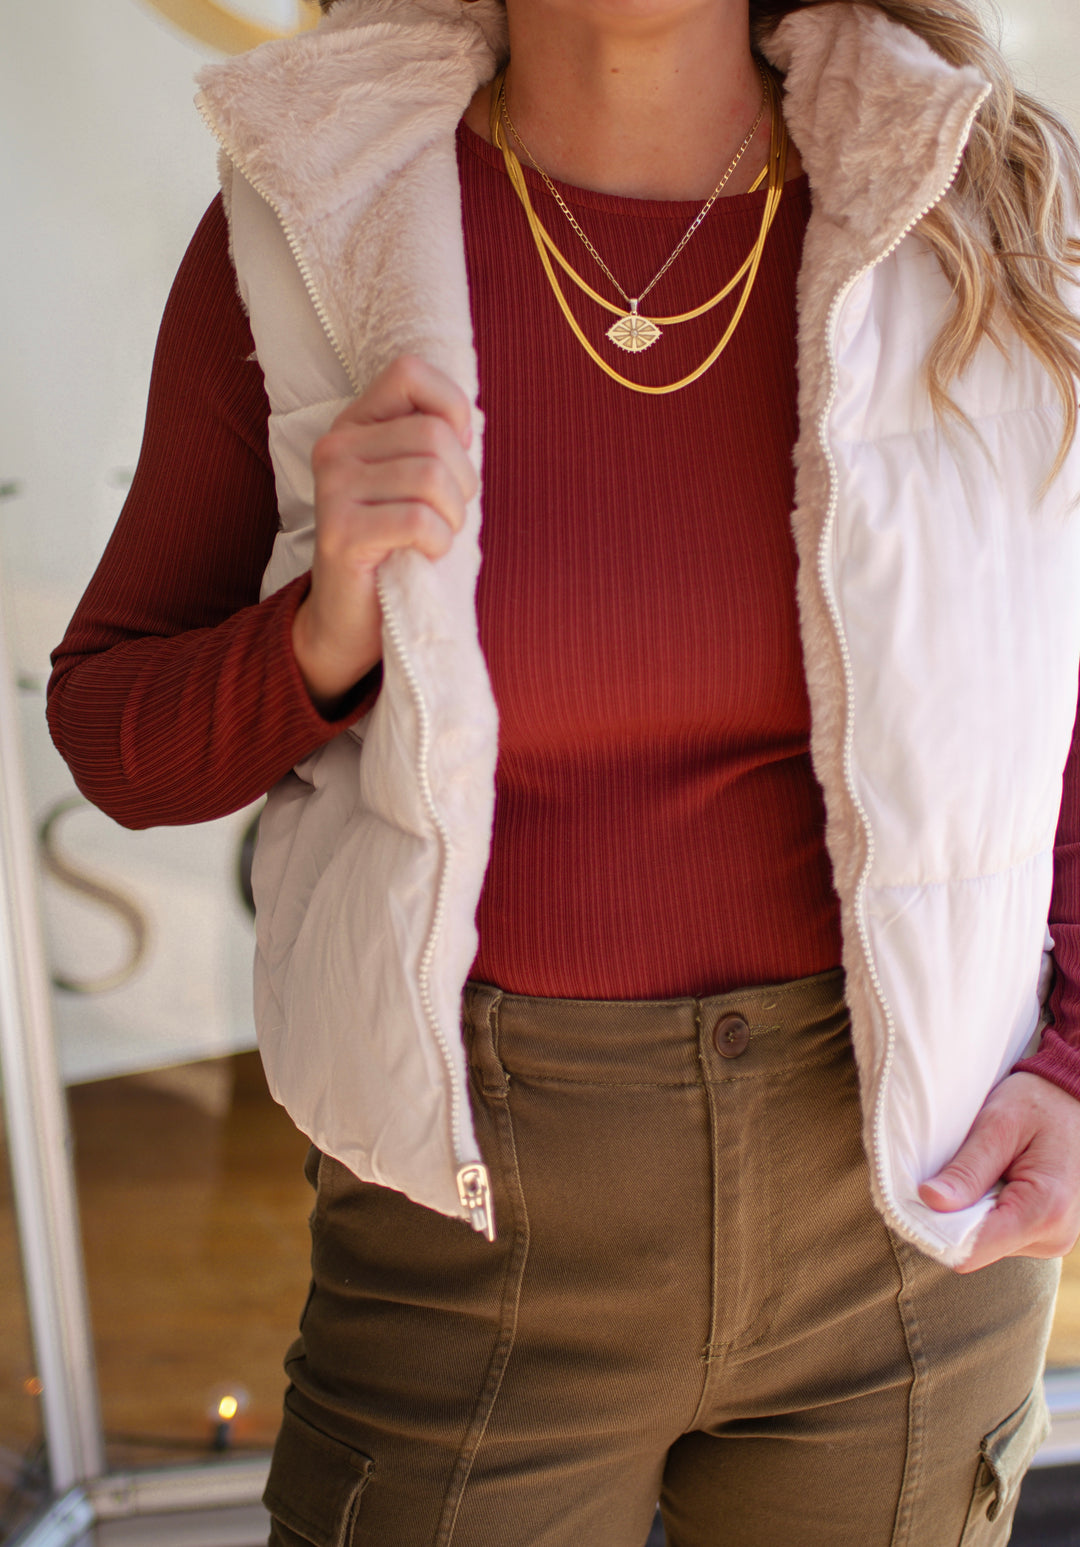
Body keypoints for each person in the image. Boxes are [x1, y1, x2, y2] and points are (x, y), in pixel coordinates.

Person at [47, 0, 1080, 1540]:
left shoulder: (975, 205)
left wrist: (1072, 1058)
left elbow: (1053, 700)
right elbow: (115, 738)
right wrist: (327, 627)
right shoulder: (308, 230)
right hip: (470, 1239)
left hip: (902, 1232)